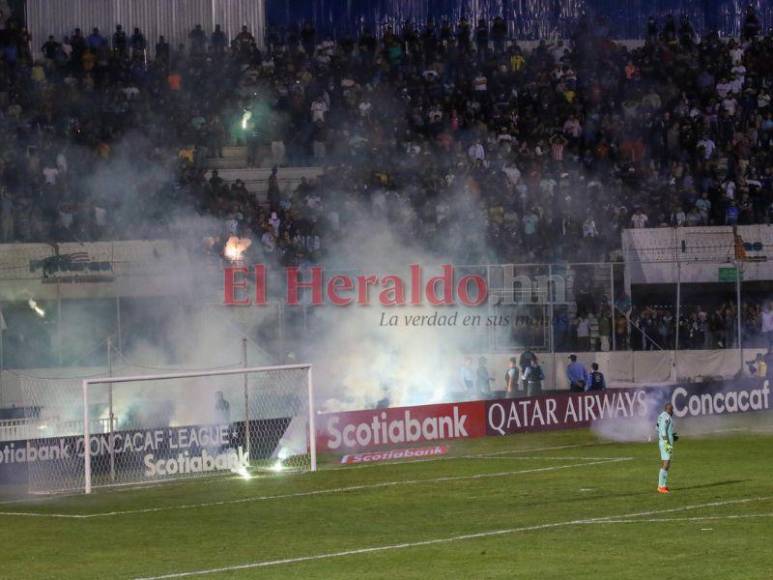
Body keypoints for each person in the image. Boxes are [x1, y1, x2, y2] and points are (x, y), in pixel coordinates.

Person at [656, 402, 678, 494]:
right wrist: (667, 442)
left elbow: (657, 428)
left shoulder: (660, 416)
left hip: (663, 442)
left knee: (666, 462)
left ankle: (663, 485)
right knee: (666, 463)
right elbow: (663, 430)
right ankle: (661, 486)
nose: (673, 411)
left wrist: (672, 436)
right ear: (669, 409)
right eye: (672, 409)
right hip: (665, 443)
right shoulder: (667, 417)